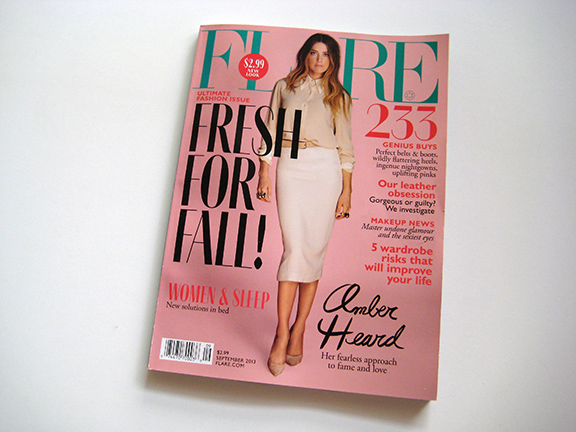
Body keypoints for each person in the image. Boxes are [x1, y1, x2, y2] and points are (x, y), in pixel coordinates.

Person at [257, 33, 354, 377]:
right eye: (313, 53)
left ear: (333, 61)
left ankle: (299, 329)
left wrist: (347, 191)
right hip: (292, 165)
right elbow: (270, 132)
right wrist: (264, 173)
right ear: (305, 55)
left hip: (326, 170)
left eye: (325, 55)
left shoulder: (339, 96)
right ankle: (281, 332)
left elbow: (345, 147)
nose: (318, 60)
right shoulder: (284, 87)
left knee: (313, 252)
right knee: (295, 250)